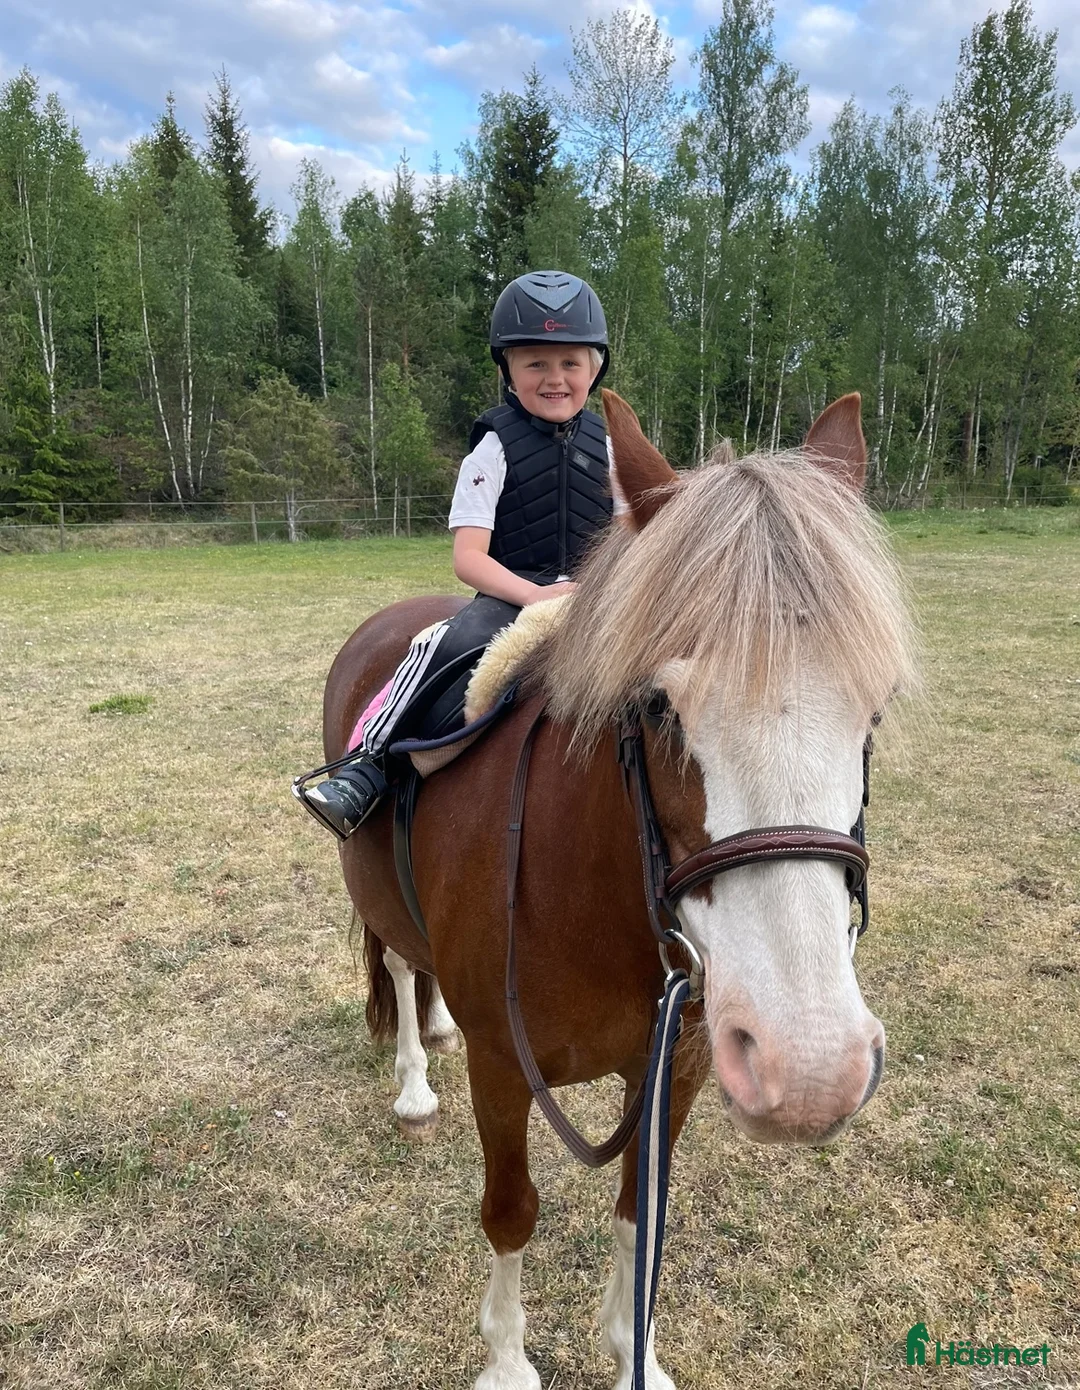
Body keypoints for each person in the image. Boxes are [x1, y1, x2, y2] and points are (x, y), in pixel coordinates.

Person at [298, 270, 624, 839]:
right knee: (445, 644)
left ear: (593, 370)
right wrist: (535, 595)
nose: (555, 378)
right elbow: (468, 557)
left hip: (596, 598)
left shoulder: (612, 447)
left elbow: (628, 538)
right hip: (512, 592)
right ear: (508, 370)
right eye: (536, 363)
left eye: (570, 363)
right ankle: (369, 765)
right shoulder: (493, 448)